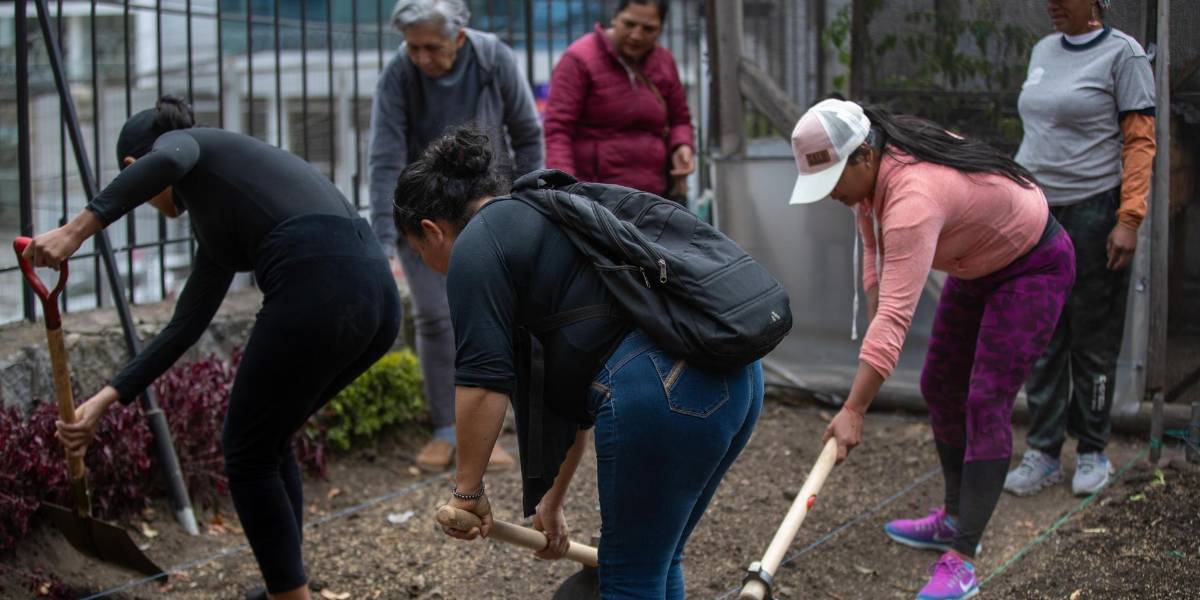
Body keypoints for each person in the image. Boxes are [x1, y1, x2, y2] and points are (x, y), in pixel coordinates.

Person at [24, 96, 401, 600]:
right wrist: (105, 400)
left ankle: (290, 596)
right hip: (376, 295)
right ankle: (287, 584)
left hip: (320, 282)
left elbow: (168, 159)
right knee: (268, 439)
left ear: (134, 167)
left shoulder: (185, 144)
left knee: (246, 450)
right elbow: (184, 327)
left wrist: (75, 232)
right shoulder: (220, 215)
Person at [396, 127, 762, 599]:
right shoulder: (545, 210)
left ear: (432, 230)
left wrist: (467, 493)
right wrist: (551, 501)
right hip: (735, 378)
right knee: (656, 559)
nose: (424, 263)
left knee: (629, 577)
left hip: (665, 393)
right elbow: (570, 398)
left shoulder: (475, 247)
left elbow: (482, 385)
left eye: (417, 251)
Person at [790, 100, 1075, 600]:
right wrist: (877, 316)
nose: (831, 194)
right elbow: (873, 248)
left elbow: (897, 319)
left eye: (833, 180)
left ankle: (963, 559)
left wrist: (854, 409)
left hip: (1033, 265)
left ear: (863, 156)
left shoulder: (912, 197)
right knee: (940, 384)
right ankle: (953, 516)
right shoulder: (873, 165)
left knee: (986, 399)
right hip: (977, 265)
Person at [369, 0, 543, 472]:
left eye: (432, 47)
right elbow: (385, 156)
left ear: (459, 37)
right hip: (423, 212)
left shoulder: (493, 58)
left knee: (496, 316)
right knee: (432, 317)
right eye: (413, 48)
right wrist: (383, 237)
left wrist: (530, 201)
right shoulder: (398, 74)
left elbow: (527, 134)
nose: (421, 58)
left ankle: (490, 428)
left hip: (488, 205)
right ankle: (446, 428)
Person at [1005, 0, 1156, 498]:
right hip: (1037, 212)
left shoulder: (1123, 55)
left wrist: (1129, 218)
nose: (1051, 4)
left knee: (1092, 337)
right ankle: (1044, 451)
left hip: (1093, 212)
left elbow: (1140, 141)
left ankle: (1093, 449)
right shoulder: (1044, 50)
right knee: (1042, 336)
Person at [543, 0, 695, 200]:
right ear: (615, 18)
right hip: (595, 197)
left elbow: (680, 119)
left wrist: (681, 146)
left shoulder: (664, 62)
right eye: (629, 24)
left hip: (654, 197)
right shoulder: (578, 59)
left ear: (660, 29)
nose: (637, 35)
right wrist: (566, 191)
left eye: (649, 29)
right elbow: (558, 129)